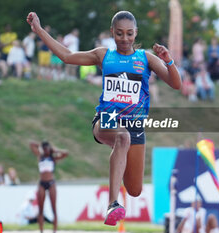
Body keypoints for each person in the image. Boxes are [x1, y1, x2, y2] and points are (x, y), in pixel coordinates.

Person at [26, 10, 182, 226]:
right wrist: (40, 30)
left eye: (129, 34)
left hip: (135, 123)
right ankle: (112, 204)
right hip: (107, 117)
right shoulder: (104, 55)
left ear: (136, 33)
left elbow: (176, 84)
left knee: (135, 189)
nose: (124, 39)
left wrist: (169, 61)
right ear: (112, 33)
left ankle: (119, 154)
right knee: (122, 137)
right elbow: (67, 56)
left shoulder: (145, 58)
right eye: (119, 34)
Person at [29, 140, 68, 233]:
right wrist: (41, 146)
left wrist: (55, 150)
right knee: (40, 209)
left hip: (51, 183)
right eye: (45, 149)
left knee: (53, 208)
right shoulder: (40, 156)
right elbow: (31, 144)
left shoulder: (53, 158)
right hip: (42, 183)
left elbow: (66, 153)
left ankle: (54, 231)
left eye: (47, 149)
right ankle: (41, 230)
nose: (46, 150)